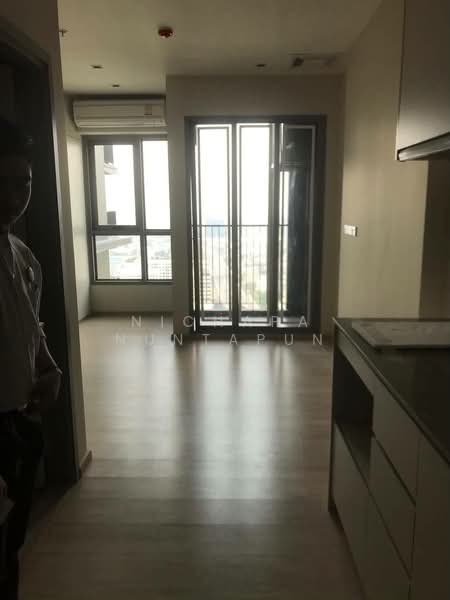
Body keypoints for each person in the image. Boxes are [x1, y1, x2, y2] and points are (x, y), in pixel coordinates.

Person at [0, 116, 62, 600]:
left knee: (10, 546)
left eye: (23, 183)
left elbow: (30, 323)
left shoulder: (22, 256)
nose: (13, 196)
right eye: (2, 182)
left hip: (19, 425)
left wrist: (47, 366)